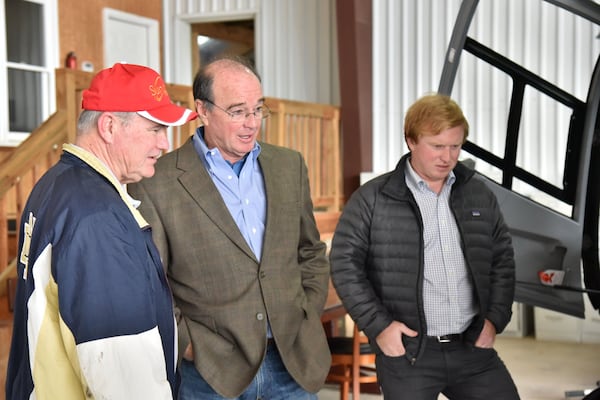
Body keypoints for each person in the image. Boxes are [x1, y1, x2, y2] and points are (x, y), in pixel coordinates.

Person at [127, 56, 331, 400]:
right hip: (209, 373)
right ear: (202, 110)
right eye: (237, 111)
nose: (251, 122)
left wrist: (306, 312)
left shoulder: (288, 165)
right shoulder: (156, 181)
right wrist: (187, 344)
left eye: (258, 109)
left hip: (291, 360)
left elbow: (309, 251)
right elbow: (149, 282)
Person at [6, 63, 198, 400]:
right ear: (109, 126)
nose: (164, 144)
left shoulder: (55, 184)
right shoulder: (99, 219)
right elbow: (124, 377)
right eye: (155, 129)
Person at [329, 93, 521, 400]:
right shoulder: (372, 199)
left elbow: (502, 259)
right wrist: (380, 327)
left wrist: (494, 319)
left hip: (472, 348)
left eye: (455, 146)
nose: (447, 157)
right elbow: (343, 264)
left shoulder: (478, 194)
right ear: (411, 141)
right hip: (408, 354)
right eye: (437, 146)